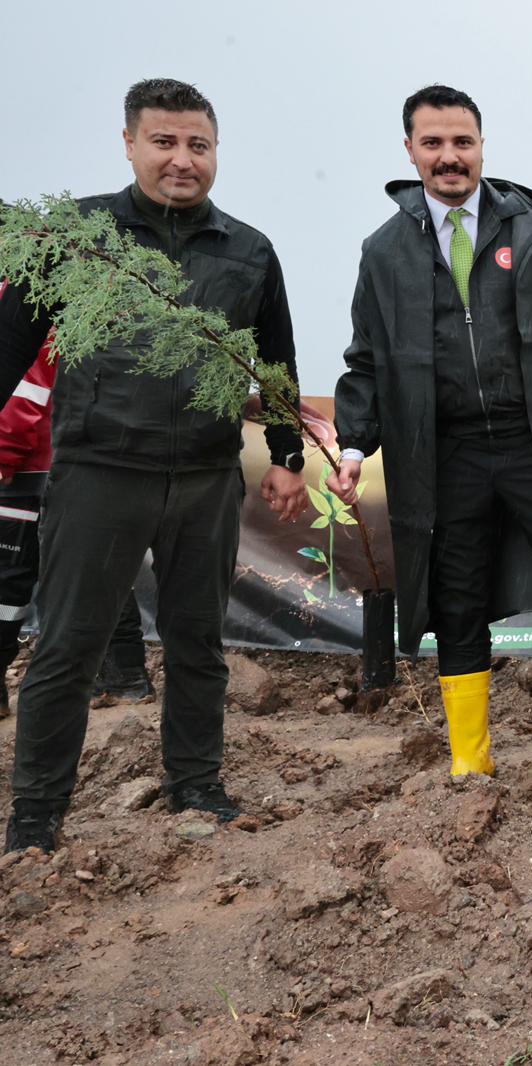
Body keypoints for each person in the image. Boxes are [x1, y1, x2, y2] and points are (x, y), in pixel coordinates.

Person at [0, 79, 309, 853]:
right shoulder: (77, 237)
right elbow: (7, 343)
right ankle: (36, 822)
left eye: (197, 145)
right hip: (99, 473)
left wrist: (287, 456)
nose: (182, 160)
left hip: (205, 481)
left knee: (199, 643)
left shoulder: (249, 249)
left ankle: (198, 788)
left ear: (215, 152)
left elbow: (275, 363)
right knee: (68, 646)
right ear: (129, 143)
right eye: (164, 142)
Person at [331, 85, 532, 778]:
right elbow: (366, 358)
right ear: (410, 151)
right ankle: (468, 764)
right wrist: (354, 443)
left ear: (482, 146)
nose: (449, 158)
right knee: (456, 600)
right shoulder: (385, 251)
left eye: (462, 142)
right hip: (444, 451)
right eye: (433, 144)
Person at [0, 334, 153, 712]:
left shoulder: (27, 296)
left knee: (7, 584)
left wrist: (3, 454)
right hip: (74, 462)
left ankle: (123, 676)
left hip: (32, 469)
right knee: (95, 567)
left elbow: (25, 387)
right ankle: (124, 675)